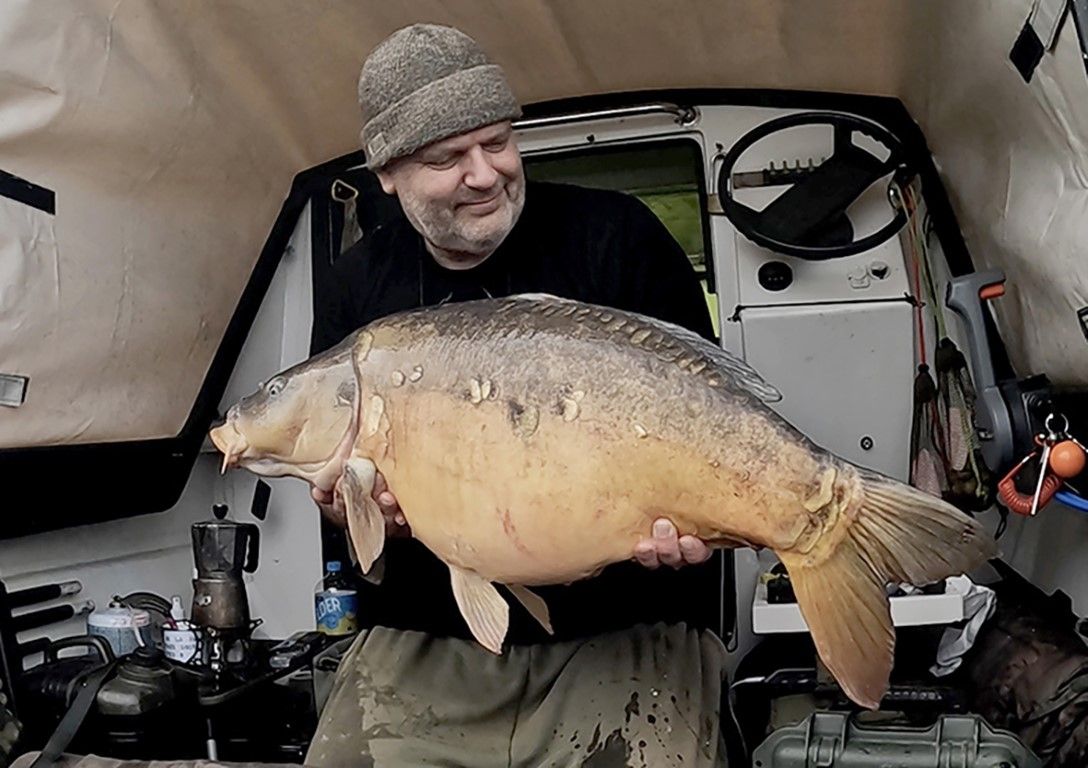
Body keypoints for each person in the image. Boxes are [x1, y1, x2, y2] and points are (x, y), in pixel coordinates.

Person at [304, 23, 731, 768]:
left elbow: (710, 419)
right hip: (425, 635)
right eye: (447, 158)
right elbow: (345, 486)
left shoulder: (617, 238)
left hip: (623, 628)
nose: (485, 175)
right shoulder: (358, 287)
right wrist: (351, 508)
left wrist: (700, 525)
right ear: (388, 174)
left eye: (498, 142)